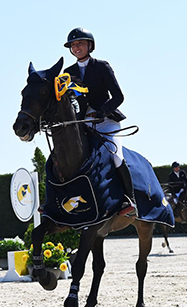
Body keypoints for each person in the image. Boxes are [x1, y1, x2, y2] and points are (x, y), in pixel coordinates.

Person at [63, 27, 136, 216]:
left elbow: (119, 96)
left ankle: (129, 199)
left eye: (80, 43)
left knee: (116, 155)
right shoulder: (68, 72)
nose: (76, 47)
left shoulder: (102, 66)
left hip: (106, 122)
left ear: (89, 45)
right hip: (83, 123)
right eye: (73, 45)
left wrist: (102, 112)